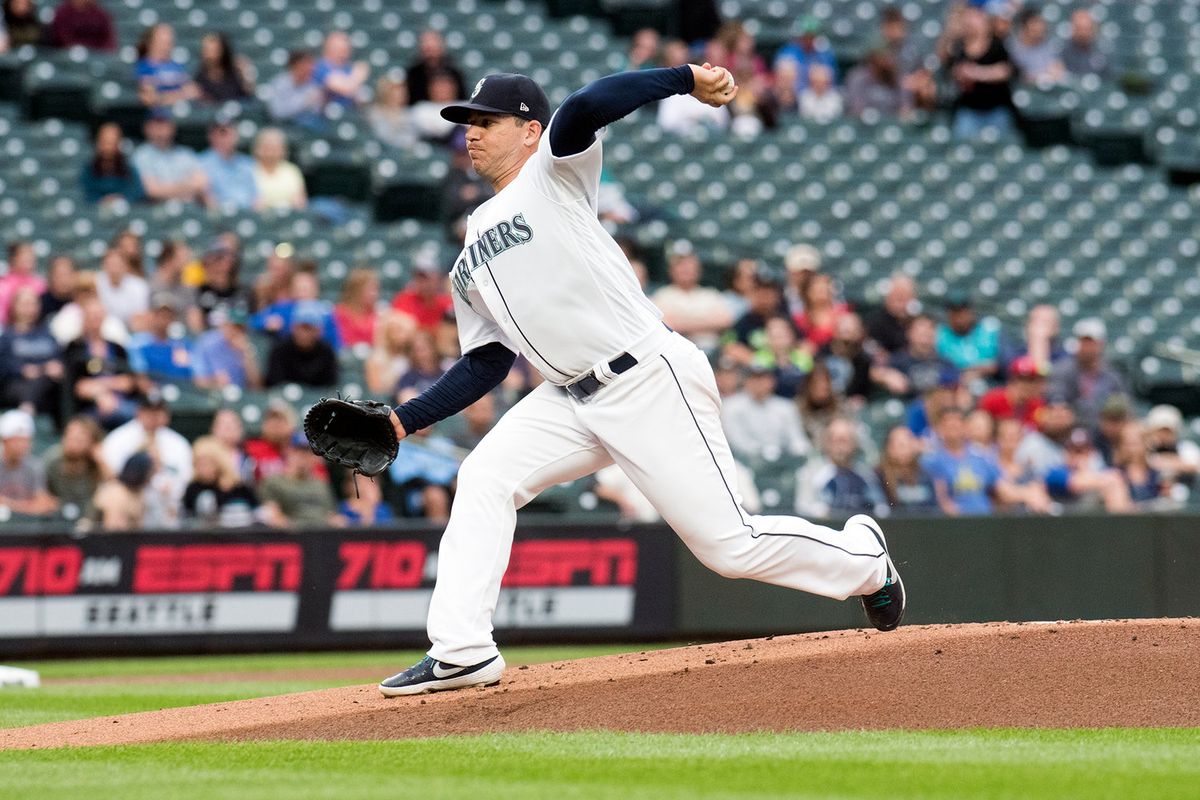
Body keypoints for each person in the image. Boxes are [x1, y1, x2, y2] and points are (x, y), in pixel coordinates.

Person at [371, 66, 905, 696]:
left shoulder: (554, 175)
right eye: (467, 123)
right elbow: (485, 362)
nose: (472, 133)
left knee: (729, 547)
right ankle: (462, 651)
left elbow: (585, 105)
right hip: (568, 398)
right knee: (484, 478)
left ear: (529, 131)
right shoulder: (469, 250)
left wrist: (683, 79)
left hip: (647, 376)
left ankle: (866, 560)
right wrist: (403, 420)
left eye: (487, 121)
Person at [100, 391, 193, 504]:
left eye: (158, 411)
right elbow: (110, 476)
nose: (153, 416)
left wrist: (161, 468)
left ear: (166, 415)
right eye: (148, 411)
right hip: (129, 502)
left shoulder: (178, 443)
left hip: (166, 503)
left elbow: (185, 478)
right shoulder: (118, 438)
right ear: (138, 412)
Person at [63, 296, 139, 429]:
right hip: (87, 408)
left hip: (121, 403)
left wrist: (98, 386)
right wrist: (101, 395)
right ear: (83, 317)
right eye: (91, 315)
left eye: (98, 315)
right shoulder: (74, 347)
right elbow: (78, 386)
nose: (95, 319)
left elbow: (127, 382)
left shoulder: (117, 348)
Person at [795, 416, 887, 519]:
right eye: (836, 440)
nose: (840, 446)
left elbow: (881, 509)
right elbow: (802, 508)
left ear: (855, 443)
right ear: (827, 443)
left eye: (845, 440)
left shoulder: (866, 474)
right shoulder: (811, 472)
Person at [944, 6, 1014, 139]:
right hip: (968, 110)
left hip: (996, 110)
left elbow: (1005, 70)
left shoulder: (996, 44)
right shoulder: (959, 46)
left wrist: (977, 73)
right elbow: (948, 65)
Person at [650, 241, 733, 354]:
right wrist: (706, 322)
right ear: (671, 270)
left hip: (711, 353)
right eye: (680, 265)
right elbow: (665, 326)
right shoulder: (662, 295)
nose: (686, 269)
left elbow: (725, 320)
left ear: (698, 269)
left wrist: (682, 322)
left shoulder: (710, 294)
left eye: (690, 265)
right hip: (676, 354)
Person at [720, 361, 811, 460]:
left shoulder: (785, 406)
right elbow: (737, 441)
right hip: (746, 462)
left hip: (783, 462)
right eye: (754, 378)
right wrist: (763, 452)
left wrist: (799, 451)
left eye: (763, 378)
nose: (759, 383)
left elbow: (797, 438)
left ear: (772, 381)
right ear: (746, 381)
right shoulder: (731, 406)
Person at [1048, 318, 1126, 429]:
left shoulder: (1111, 376)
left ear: (1101, 344)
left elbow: (1123, 404)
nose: (1087, 347)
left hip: (1102, 431)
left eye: (1091, 342)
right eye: (1084, 342)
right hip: (1068, 429)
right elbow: (1056, 400)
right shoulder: (1062, 370)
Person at [0, 286, 63, 419]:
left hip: (47, 384)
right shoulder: (7, 336)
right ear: (14, 306)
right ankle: (27, 409)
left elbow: (58, 358)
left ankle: (28, 408)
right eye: (25, 303)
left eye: (33, 303)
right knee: (29, 384)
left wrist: (55, 367)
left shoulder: (47, 333)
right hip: (15, 385)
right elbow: (3, 365)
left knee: (45, 381)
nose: (29, 308)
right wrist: (21, 370)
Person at [259, 432, 344, 528]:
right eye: (298, 451)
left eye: (308, 452)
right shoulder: (274, 482)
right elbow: (273, 516)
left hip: (321, 535)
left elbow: (332, 515)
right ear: (288, 452)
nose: (303, 456)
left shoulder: (321, 485)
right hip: (291, 536)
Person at [131, 111, 210, 205]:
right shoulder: (141, 155)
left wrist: (167, 189)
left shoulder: (185, 153)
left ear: (173, 127)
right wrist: (188, 187)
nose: (160, 129)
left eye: (164, 124)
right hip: (158, 213)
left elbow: (202, 183)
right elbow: (152, 191)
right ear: (147, 128)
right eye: (156, 124)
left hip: (189, 210)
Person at [181, 435, 258, 528]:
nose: (203, 468)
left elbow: (256, 510)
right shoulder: (193, 489)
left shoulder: (237, 487)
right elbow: (186, 517)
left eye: (207, 463)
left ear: (219, 463)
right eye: (199, 463)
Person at [42, 415, 107, 518]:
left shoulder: (96, 463)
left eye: (79, 439)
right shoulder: (53, 459)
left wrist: (101, 461)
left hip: (89, 516)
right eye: (69, 437)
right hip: (58, 514)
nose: (72, 443)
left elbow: (112, 487)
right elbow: (41, 493)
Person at [264, 301, 339, 388]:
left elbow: (331, 385)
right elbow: (273, 384)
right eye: (301, 328)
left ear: (319, 331)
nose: (305, 334)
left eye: (309, 328)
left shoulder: (327, 352)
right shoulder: (280, 350)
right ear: (293, 328)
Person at [0, 409, 57, 516]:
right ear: (4, 440)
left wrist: (9, 504)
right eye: (16, 440)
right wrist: (28, 506)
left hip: (28, 528)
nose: (22, 445)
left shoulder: (34, 466)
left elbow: (43, 504)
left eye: (26, 440)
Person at [935, 292, 1000, 385]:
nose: (959, 318)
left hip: (992, 383)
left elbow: (1003, 362)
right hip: (955, 385)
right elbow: (939, 367)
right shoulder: (940, 335)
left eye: (962, 312)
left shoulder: (989, 329)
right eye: (954, 313)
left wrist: (980, 370)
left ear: (970, 312)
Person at [192, 305, 261, 390]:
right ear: (224, 325)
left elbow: (257, 385)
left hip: (239, 396)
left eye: (241, 328)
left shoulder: (246, 345)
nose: (236, 331)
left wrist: (247, 354)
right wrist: (214, 380)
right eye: (233, 326)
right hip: (210, 395)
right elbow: (198, 381)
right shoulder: (207, 343)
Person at [875, 424, 938, 514]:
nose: (906, 449)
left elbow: (933, 509)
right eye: (901, 445)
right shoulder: (879, 477)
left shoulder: (925, 476)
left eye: (909, 444)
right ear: (889, 448)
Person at [198, 117, 258, 210]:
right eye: (221, 133)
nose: (225, 138)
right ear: (211, 136)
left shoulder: (247, 163)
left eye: (229, 132)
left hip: (247, 214)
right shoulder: (201, 162)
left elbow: (257, 196)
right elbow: (207, 198)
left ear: (236, 135)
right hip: (219, 216)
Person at [135, 23, 199, 108]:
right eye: (163, 41)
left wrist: (164, 97)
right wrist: (181, 95)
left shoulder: (177, 66)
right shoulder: (143, 67)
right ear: (151, 42)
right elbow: (148, 98)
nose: (167, 46)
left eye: (170, 42)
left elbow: (194, 91)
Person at [1144, 405, 1200, 501]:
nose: (1164, 436)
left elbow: (1195, 466)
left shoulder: (1187, 448)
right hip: (1152, 499)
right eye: (1160, 431)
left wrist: (1166, 462)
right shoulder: (1145, 449)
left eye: (1168, 431)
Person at [81, 122, 145, 204]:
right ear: (98, 143)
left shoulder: (129, 170)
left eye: (112, 142)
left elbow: (137, 193)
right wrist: (102, 200)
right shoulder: (88, 170)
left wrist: (120, 199)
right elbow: (85, 195)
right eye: (105, 142)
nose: (108, 147)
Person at [977, 355, 1047, 428]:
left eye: (1033, 380)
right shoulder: (993, 399)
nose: (1028, 385)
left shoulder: (1037, 405)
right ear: (1011, 381)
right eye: (1023, 379)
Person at [390, 254, 453, 333]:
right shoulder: (404, 299)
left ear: (437, 278)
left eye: (426, 278)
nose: (423, 283)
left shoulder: (446, 303)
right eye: (419, 278)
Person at [774, 15, 837, 92]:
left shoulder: (824, 55)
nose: (808, 39)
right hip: (791, 94)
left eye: (811, 36)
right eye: (806, 35)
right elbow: (779, 78)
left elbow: (831, 83)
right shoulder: (788, 51)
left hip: (814, 97)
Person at [265, 50, 325, 129]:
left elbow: (316, 112)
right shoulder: (281, 83)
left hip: (307, 129)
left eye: (312, 64)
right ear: (295, 65)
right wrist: (304, 101)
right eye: (306, 64)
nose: (311, 68)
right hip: (282, 127)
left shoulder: (312, 85)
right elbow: (276, 112)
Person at [251, 127, 306, 211]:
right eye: (267, 147)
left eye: (275, 148)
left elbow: (301, 201)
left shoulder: (292, 170)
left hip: (288, 215)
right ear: (257, 149)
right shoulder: (248, 170)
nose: (271, 152)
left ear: (283, 150)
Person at [1008, 6, 1066, 85]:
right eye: (1035, 22)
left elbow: (1058, 67)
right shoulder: (1013, 48)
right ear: (1024, 26)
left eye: (1041, 22)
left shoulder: (1048, 45)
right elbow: (1020, 76)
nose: (1040, 27)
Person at [406, 29, 466, 104]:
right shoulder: (414, 73)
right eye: (427, 47)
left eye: (432, 47)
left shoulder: (454, 71)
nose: (430, 52)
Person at [96, 248, 150, 331]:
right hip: (102, 330)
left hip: (131, 332)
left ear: (126, 266)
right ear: (103, 265)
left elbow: (140, 319)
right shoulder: (95, 283)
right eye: (110, 264)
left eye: (118, 264)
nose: (114, 269)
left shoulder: (139, 286)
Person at [365, 310, 417, 395]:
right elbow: (376, 391)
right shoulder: (376, 358)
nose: (401, 336)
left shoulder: (413, 355)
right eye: (396, 331)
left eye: (404, 331)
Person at [194, 31, 253, 104]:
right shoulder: (200, 77)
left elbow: (248, 95)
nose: (209, 54)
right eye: (207, 50)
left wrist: (246, 73)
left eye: (214, 50)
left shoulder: (235, 72)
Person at [314, 31, 368, 108]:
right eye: (340, 49)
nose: (344, 53)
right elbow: (346, 88)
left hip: (348, 112)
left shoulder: (348, 69)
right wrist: (359, 74)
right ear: (328, 48)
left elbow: (360, 99)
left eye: (347, 49)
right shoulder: (320, 67)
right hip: (324, 114)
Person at [867, 273, 917, 356]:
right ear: (887, 298)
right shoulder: (874, 322)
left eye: (906, 298)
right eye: (898, 298)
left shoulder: (919, 321)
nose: (902, 305)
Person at [0, 241, 46, 326]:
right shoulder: (3, 286)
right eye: (25, 256)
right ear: (13, 259)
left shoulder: (40, 284)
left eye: (31, 256)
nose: (29, 259)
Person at [367, 74, 418, 149]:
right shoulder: (375, 112)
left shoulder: (409, 113)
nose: (401, 92)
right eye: (396, 89)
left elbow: (412, 140)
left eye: (402, 88)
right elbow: (383, 138)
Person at [333, 268, 380, 349]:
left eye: (376, 290)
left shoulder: (378, 315)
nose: (375, 294)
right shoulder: (339, 313)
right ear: (357, 290)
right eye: (371, 289)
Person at [1060, 8, 1109, 78]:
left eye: (1087, 29)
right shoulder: (1061, 52)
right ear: (1072, 29)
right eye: (1079, 29)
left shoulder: (1101, 54)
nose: (1083, 33)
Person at [49, 0, 115, 51]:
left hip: (97, 55)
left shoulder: (100, 14)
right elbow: (63, 39)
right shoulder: (63, 12)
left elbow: (108, 39)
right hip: (69, 55)